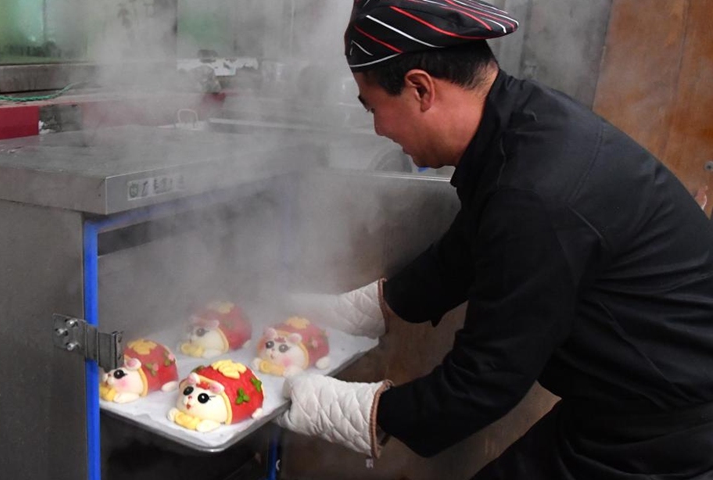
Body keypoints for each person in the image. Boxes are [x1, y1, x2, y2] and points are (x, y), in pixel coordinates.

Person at [276, 0, 713, 478]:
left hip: (663, 434)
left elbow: (482, 383)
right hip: (620, 401)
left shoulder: (537, 193)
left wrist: (355, 411)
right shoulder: (520, 121)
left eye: (375, 107)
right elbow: (467, 250)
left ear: (421, 88)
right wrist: (370, 306)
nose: (379, 129)